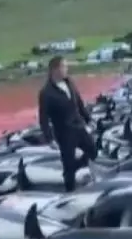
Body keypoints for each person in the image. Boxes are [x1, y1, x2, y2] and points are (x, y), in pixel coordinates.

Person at [37, 56, 96, 192]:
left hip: (79, 126)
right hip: (64, 133)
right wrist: (49, 138)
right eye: (64, 66)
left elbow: (79, 103)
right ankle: (70, 190)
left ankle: (79, 166)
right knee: (68, 166)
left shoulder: (69, 82)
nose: (66, 69)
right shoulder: (46, 92)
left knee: (93, 150)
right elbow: (43, 118)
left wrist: (89, 119)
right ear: (55, 70)